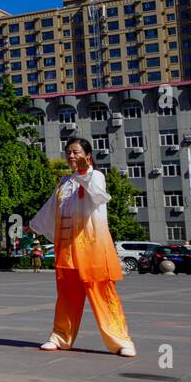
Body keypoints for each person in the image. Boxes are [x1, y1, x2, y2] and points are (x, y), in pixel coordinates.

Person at [31, 137, 135, 357]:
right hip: (67, 249)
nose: (71, 156)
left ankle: (121, 341)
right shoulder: (64, 183)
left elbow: (97, 194)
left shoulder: (96, 176)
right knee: (67, 295)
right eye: (68, 152)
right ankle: (60, 337)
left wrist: (86, 171)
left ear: (87, 156)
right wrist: (34, 225)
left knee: (103, 294)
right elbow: (50, 208)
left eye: (76, 152)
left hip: (92, 248)